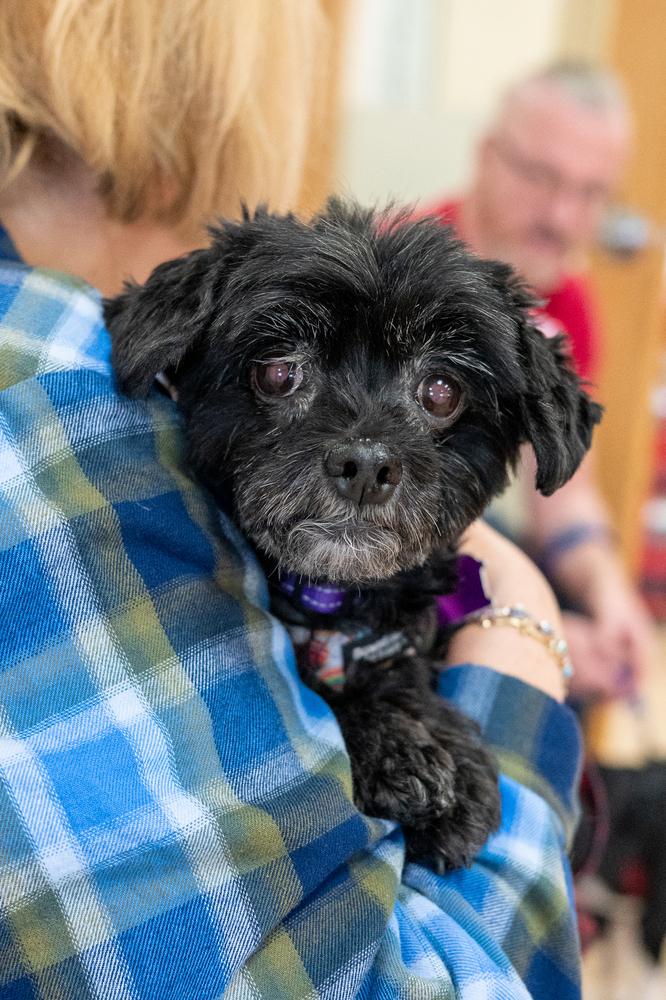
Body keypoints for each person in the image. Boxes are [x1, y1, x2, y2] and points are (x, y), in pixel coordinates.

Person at [0, 5, 582, 997]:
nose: (366, 453)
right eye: (282, 375)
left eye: (436, 395)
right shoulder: (70, 395)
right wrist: (521, 637)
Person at [429, 63, 654, 701]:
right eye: (542, 178)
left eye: (590, 194)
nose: (562, 216)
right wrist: (523, 629)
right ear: (486, 158)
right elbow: (379, 527)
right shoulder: (404, 283)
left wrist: (610, 590)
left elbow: (563, 491)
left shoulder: (569, 306)